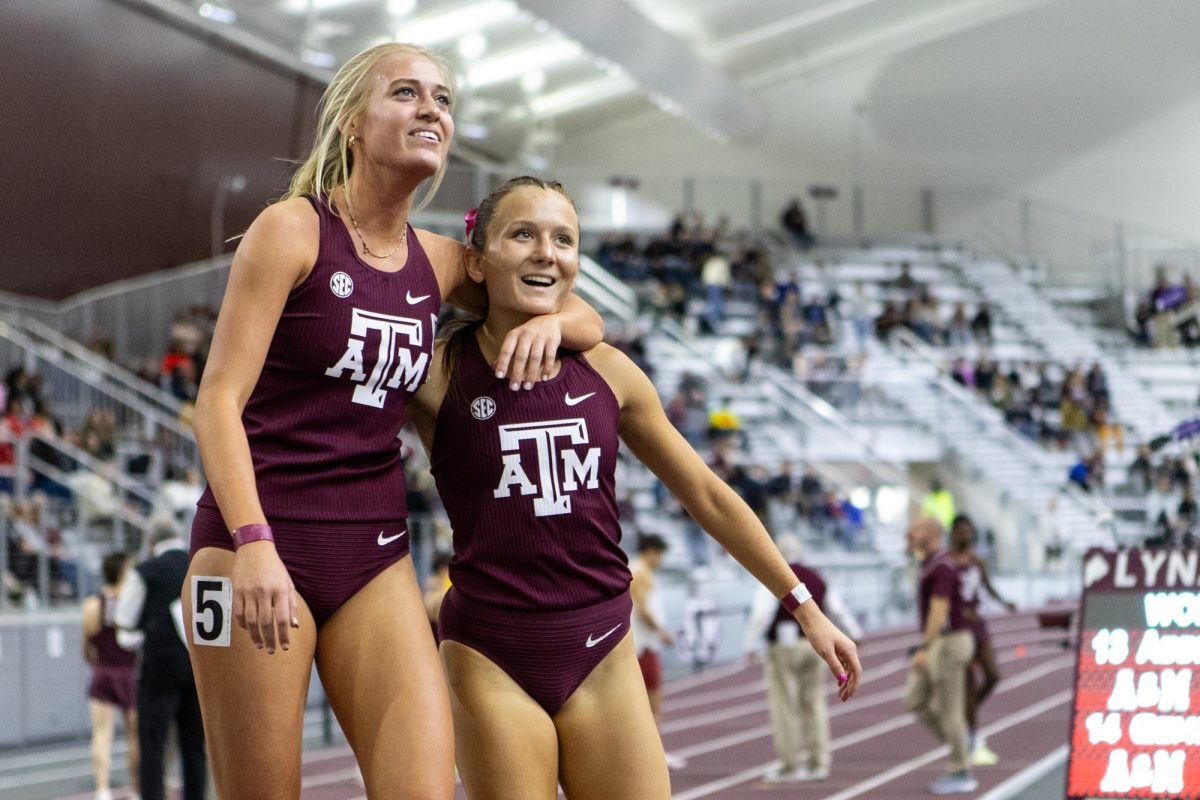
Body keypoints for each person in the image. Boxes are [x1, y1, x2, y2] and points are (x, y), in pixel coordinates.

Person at [181, 44, 604, 800]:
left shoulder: (441, 260)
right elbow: (215, 404)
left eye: (441, 98)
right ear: (352, 123)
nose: (430, 109)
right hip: (253, 545)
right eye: (406, 93)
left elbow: (563, 297)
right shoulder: (291, 231)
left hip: (373, 553)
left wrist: (558, 329)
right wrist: (252, 545)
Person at [406, 176, 861, 800]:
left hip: (601, 651)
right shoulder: (434, 373)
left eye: (563, 239)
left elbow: (706, 494)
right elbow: (386, 266)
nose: (546, 251)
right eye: (523, 234)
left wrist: (804, 606)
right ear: (477, 260)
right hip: (490, 657)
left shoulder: (610, 371)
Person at [742, 534, 862, 784]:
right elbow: (837, 608)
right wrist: (855, 633)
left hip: (784, 648)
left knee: (785, 706)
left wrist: (750, 645)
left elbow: (761, 614)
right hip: (814, 648)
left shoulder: (775, 576)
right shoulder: (816, 576)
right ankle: (819, 762)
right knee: (814, 703)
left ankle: (791, 764)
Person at [114, 524, 206, 800]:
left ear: (151, 541)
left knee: (153, 743)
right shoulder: (200, 563)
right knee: (195, 745)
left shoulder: (146, 570)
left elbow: (124, 621)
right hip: (198, 664)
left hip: (159, 668)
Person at [905, 516, 977, 795]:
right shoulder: (930, 563)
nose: (910, 534)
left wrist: (925, 647)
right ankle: (962, 743)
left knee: (950, 710)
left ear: (932, 534)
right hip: (939, 642)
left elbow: (939, 609)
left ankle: (960, 769)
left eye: (917, 530)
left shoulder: (943, 566)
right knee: (914, 699)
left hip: (948, 642)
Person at [948, 514, 1016, 766]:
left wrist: (1003, 602)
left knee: (993, 675)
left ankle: (964, 712)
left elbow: (987, 586)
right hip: (958, 629)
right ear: (953, 534)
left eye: (969, 531)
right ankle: (972, 736)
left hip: (979, 626)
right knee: (967, 684)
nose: (966, 536)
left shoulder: (978, 561)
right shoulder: (948, 564)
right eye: (961, 531)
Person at [83, 552, 140, 800]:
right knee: (134, 736)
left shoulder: (92, 605)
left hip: (103, 672)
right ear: (122, 573)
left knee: (101, 734)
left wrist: (98, 664)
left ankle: (102, 789)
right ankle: (137, 789)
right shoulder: (131, 603)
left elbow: (86, 646)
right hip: (128, 673)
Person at [630, 533, 685, 770]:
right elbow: (642, 610)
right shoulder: (640, 573)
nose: (661, 560)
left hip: (637, 645)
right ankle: (654, 756)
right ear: (652, 551)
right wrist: (662, 631)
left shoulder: (634, 569)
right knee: (653, 705)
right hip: (644, 646)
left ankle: (643, 755)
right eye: (660, 554)